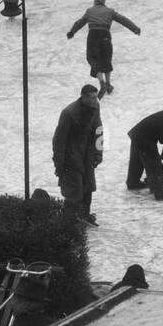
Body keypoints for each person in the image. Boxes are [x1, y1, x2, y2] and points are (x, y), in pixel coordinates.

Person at [66, 0, 141, 96]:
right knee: (106, 59)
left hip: (93, 36)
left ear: (95, 2)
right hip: (105, 36)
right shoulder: (110, 11)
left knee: (93, 59)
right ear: (104, 2)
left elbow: (79, 23)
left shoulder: (90, 11)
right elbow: (123, 20)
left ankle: (102, 83)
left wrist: (72, 32)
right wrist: (135, 29)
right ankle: (108, 83)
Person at [52, 84, 104, 225]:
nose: (95, 100)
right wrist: (59, 164)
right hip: (71, 154)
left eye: (96, 97)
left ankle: (84, 215)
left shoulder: (95, 107)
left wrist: (98, 152)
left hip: (87, 153)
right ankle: (69, 219)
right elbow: (59, 140)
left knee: (88, 186)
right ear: (83, 97)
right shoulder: (68, 113)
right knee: (74, 189)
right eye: (92, 98)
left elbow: (98, 128)